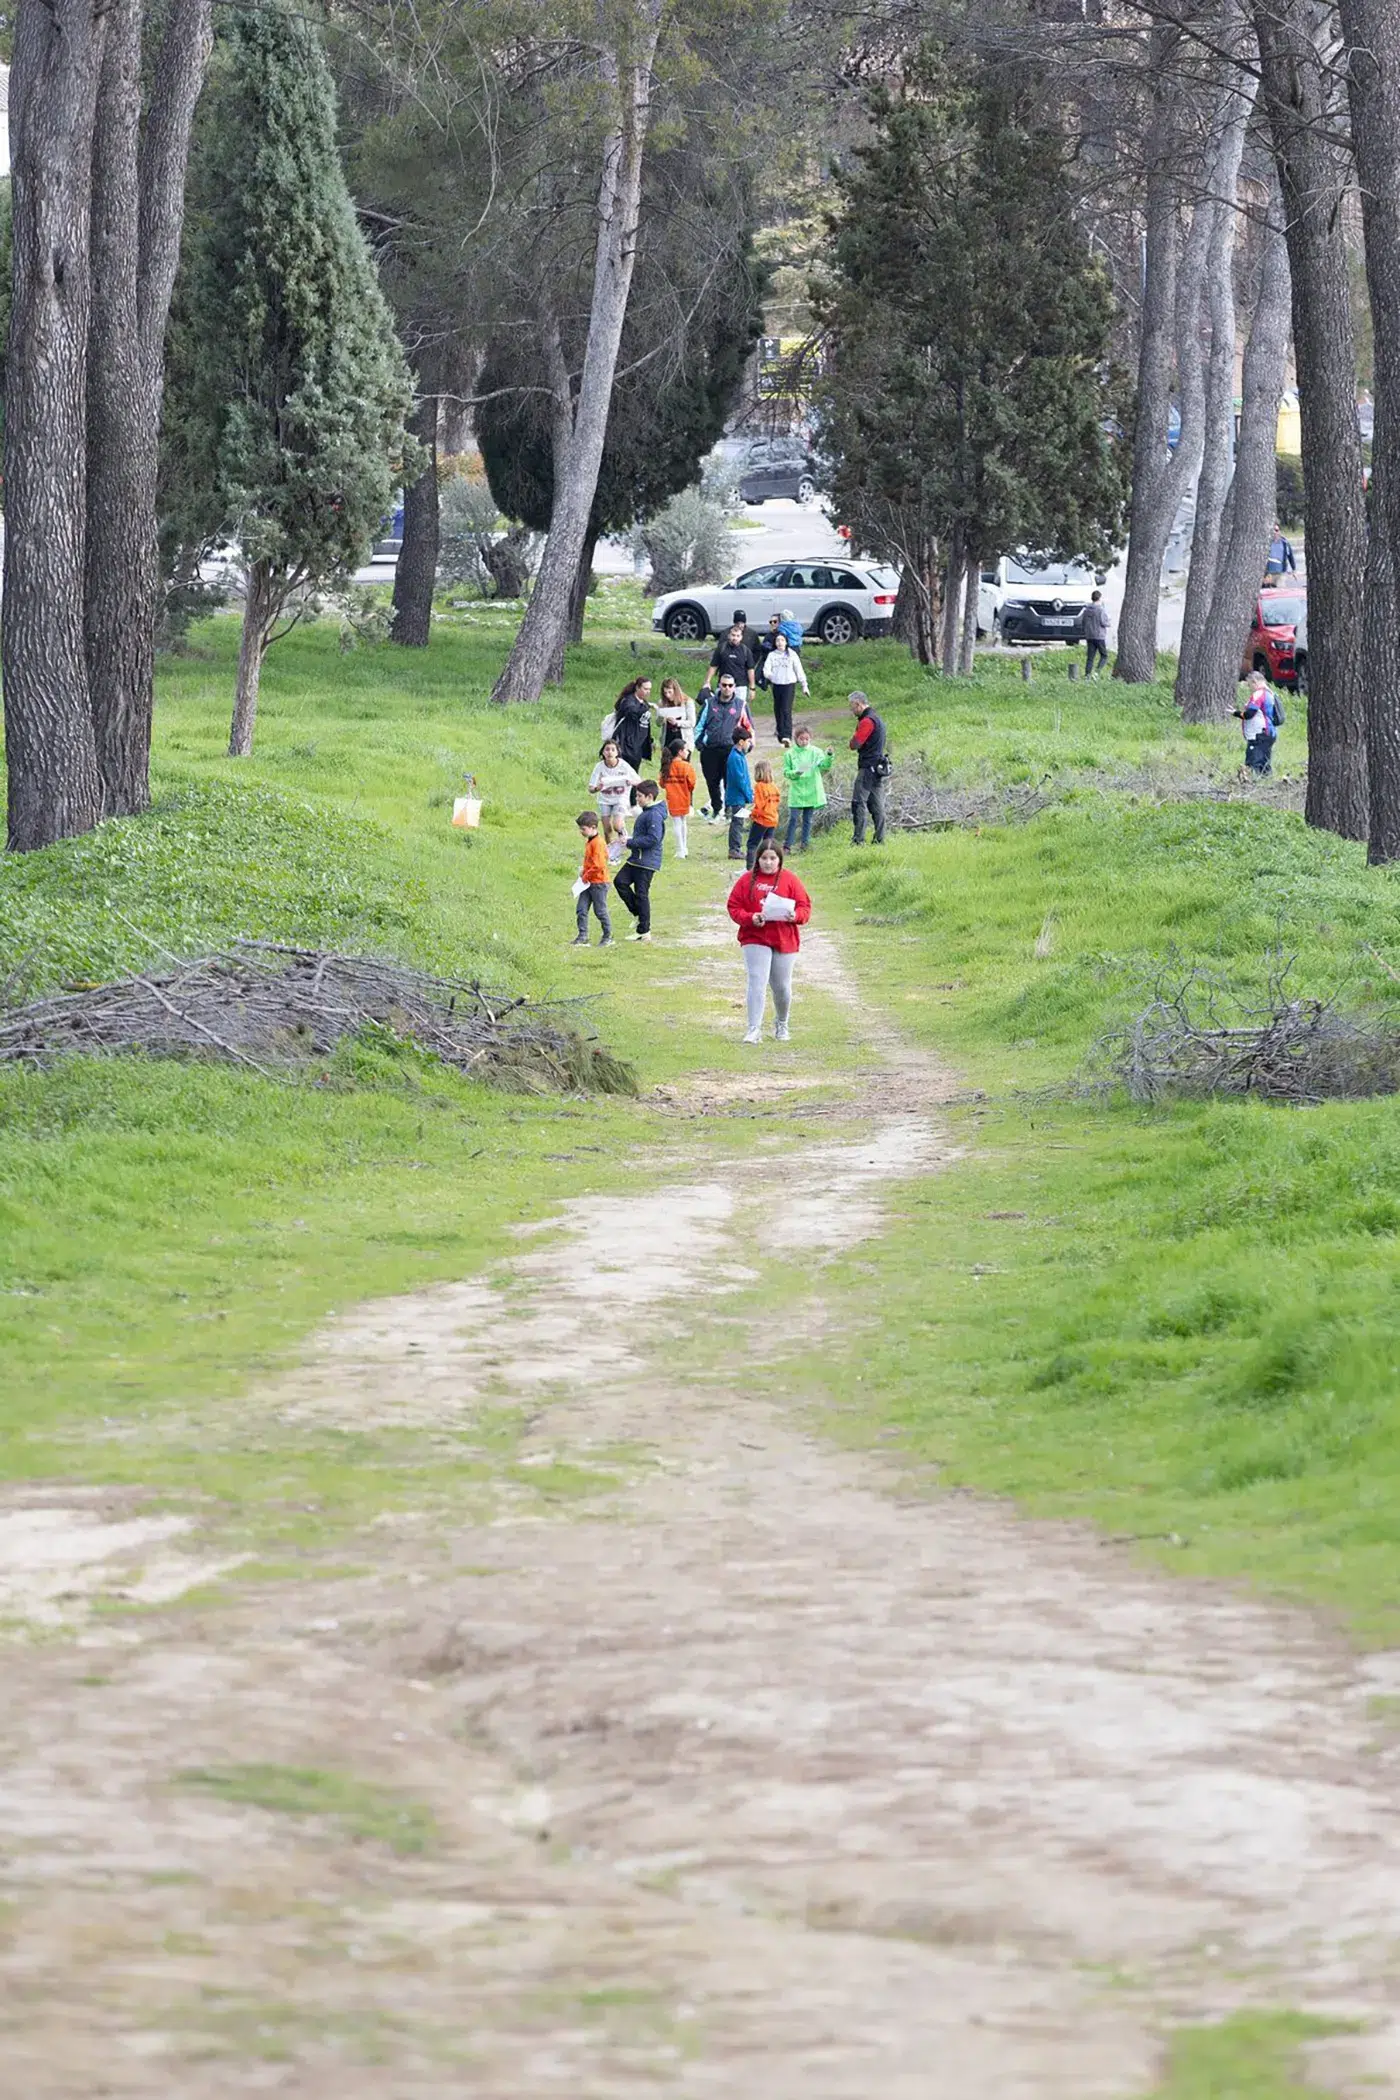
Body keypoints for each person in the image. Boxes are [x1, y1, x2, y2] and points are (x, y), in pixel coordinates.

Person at [726, 842, 812, 1045]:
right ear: (757, 859)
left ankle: (782, 1023)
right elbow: (733, 906)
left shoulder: (790, 879)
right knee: (757, 980)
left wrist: (794, 915)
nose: (768, 862)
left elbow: (805, 908)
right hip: (755, 936)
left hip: (784, 937)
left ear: (780, 860)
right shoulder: (747, 880)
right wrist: (750, 917)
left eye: (773, 858)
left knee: (781, 986)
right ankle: (753, 1028)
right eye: (764, 858)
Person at [695, 672, 752, 820]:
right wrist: (699, 743)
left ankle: (728, 810)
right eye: (724, 685)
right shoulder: (709, 703)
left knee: (730, 781)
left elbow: (749, 728)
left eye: (730, 685)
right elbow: (699, 725)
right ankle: (716, 808)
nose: (727, 688)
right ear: (719, 685)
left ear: (734, 687)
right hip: (710, 750)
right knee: (712, 781)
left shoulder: (741, 705)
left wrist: (748, 745)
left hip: (730, 750)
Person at [613, 780, 666, 940]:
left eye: (639, 796)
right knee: (620, 882)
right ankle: (638, 913)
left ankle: (644, 931)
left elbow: (653, 839)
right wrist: (626, 840)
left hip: (647, 862)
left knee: (642, 894)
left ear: (650, 796)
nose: (637, 799)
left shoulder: (654, 815)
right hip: (636, 859)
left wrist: (629, 842)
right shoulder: (646, 812)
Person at [848, 690, 888, 845]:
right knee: (877, 804)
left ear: (858, 704)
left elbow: (855, 744)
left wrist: (853, 739)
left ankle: (858, 839)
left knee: (859, 802)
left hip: (867, 768)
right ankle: (880, 839)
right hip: (877, 767)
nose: (851, 711)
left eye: (852, 707)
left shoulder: (867, 721)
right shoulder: (877, 718)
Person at [783, 725, 832, 852]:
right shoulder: (790, 754)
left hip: (811, 789)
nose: (804, 742)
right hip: (797, 791)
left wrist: (829, 756)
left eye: (806, 739)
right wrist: (796, 773)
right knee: (793, 818)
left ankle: (805, 844)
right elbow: (786, 771)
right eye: (801, 739)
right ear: (796, 739)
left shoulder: (816, 752)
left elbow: (824, 766)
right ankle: (787, 845)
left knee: (808, 819)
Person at [571, 812, 613, 947]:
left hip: (599, 882)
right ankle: (582, 936)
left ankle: (608, 936)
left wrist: (585, 876)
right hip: (588, 882)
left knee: (600, 910)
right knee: (581, 909)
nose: (581, 832)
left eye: (583, 829)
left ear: (593, 827)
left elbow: (599, 865)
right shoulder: (590, 842)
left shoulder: (598, 843)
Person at [760, 630, 809, 745]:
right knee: (778, 709)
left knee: (786, 709)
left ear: (786, 642)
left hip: (789, 684)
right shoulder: (772, 655)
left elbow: (799, 670)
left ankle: (787, 735)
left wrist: (804, 685)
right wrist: (771, 676)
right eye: (777, 640)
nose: (780, 642)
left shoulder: (792, 654)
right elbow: (766, 669)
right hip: (777, 685)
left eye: (782, 640)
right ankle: (781, 734)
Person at [1235, 668, 1284, 776]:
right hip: (1269, 733)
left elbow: (1249, 714)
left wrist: (1237, 713)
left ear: (1255, 682)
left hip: (1259, 733)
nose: (1249, 688)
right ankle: (1267, 784)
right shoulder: (1270, 693)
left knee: (1254, 762)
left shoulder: (1258, 694)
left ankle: (1253, 784)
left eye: (1249, 685)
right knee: (1265, 762)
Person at [702, 621, 756, 704]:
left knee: (739, 712)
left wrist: (752, 688)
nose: (735, 638)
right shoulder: (721, 648)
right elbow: (713, 666)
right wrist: (707, 682)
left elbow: (750, 669)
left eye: (738, 636)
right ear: (729, 636)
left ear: (741, 637)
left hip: (740, 686)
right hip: (723, 685)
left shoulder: (746, 651)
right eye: (733, 635)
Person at [661, 737, 697, 859]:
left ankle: (680, 849)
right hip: (684, 797)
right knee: (683, 823)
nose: (688, 752)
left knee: (677, 823)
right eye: (686, 750)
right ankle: (684, 848)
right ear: (680, 751)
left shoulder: (667, 766)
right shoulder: (686, 766)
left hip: (672, 799)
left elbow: (662, 783)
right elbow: (692, 783)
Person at [589, 740, 639, 826]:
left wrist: (631, 782)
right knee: (607, 829)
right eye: (607, 749)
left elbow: (639, 781)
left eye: (613, 750)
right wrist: (597, 788)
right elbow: (591, 788)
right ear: (603, 753)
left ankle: (623, 836)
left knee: (617, 824)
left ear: (617, 753)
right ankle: (610, 840)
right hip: (604, 800)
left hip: (621, 798)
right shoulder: (599, 767)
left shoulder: (624, 766)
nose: (610, 752)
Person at [724, 728, 755, 861]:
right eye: (748, 741)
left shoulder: (739, 755)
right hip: (737, 797)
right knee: (737, 823)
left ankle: (735, 849)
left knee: (739, 822)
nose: (750, 744)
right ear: (741, 742)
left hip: (740, 796)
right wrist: (749, 795)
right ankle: (734, 850)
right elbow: (740, 780)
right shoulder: (735, 757)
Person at [612, 677, 654, 771]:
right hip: (627, 744)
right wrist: (646, 707)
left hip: (638, 746)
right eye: (645, 689)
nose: (648, 692)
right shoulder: (628, 701)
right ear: (637, 688)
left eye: (649, 689)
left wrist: (649, 741)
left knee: (634, 776)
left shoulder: (644, 703)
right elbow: (632, 712)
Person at [747, 759, 781, 869]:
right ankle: (768, 867)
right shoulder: (774, 786)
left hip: (762, 820)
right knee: (768, 846)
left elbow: (760, 806)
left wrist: (752, 814)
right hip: (772, 820)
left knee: (752, 844)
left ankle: (749, 869)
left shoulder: (759, 786)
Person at [656, 675, 696, 745]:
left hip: (683, 738)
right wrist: (662, 718)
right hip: (668, 738)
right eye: (665, 693)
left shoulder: (687, 702)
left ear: (675, 691)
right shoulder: (662, 703)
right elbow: (658, 723)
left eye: (670, 692)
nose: (667, 695)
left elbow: (692, 722)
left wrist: (677, 722)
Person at [1080, 591, 1111, 679]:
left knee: (1090, 657)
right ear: (1099, 598)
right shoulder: (1100, 610)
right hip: (1099, 636)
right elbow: (1104, 622)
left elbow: (1083, 622)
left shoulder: (1086, 610)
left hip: (1089, 636)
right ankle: (1097, 672)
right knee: (1104, 655)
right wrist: (1109, 621)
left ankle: (1087, 675)